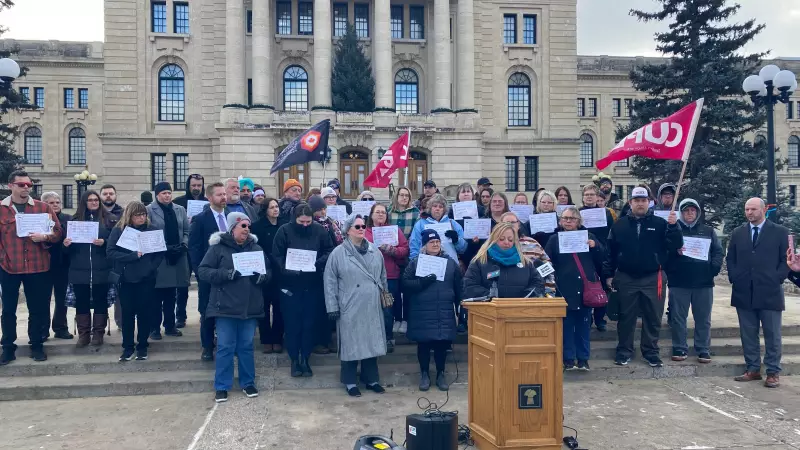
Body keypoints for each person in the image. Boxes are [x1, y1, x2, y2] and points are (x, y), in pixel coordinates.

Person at [604, 187, 683, 368]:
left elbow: (675, 245)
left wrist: (674, 226)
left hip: (653, 278)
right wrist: (608, 274)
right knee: (626, 317)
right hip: (626, 277)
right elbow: (610, 252)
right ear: (630, 203)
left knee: (653, 316)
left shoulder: (661, 223)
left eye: (643, 200)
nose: (640, 204)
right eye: (637, 200)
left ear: (649, 202)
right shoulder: (619, 225)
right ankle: (624, 351)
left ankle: (651, 352)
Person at [199, 212, 269, 403]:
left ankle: (248, 382)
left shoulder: (256, 248)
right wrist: (227, 274)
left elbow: (268, 272)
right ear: (232, 228)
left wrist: (261, 277)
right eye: (243, 226)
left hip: (250, 307)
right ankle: (222, 386)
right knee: (225, 347)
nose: (247, 229)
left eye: (248, 226)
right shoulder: (217, 248)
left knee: (246, 346)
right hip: (225, 307)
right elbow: (203, 271)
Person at [0, 170, 63, 365]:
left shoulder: (43, 207)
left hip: (37, 266)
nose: (26, 188)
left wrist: (45, 237)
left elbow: (57, 231)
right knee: (8, 310)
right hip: (9, 266)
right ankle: (8, 347)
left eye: (29, 185)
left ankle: (36, 345)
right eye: (21, 185)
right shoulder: (2, 209)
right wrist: (2, 256)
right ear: (11, 186)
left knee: (37, 309)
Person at [727, 198, 789, 388]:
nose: (749, 212)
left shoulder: (780, 232)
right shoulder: (738, 233)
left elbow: (786, 259)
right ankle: (753, 369)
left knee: (772, 334)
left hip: (770, 291)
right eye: (747, 209)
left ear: (764, 210)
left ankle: (773, 372)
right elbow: (731, 258)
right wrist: (735, 277)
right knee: (748, 334)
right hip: (744, 291)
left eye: (753, 209)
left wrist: (777, 277)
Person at [324, 214, 388, 397]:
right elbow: (329, 281)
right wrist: (332, 306)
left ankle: (372, 379)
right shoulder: (338, 253)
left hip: (372, 304)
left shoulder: (375, 251)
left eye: (363, 226)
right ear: (348, 230)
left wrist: (385, 296)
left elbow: (383, 276)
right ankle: (350, 381)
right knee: (351, 345)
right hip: (350, 305)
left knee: (371, 343)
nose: (361, 229)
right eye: (357, 226)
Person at [273, 203, 334, 377]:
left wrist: (318, 263)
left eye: (308, 222)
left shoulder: (319, 230)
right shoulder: (284, 231)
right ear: (295, 219)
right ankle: (294, 359)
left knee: (309, 323)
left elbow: (329, 250)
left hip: (312, 283)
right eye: (302, 222)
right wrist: (287, 269)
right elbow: (276, 255)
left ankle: (305, 358)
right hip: (290, 285)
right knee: (292, 324)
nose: (305, 225)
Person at [545, 206, 605, 371]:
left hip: (585, 289)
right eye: (565, 218)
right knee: (566, 326)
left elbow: (602, 258)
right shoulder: (554, 239)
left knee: (583, 325)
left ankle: (583, 359)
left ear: (579, 221)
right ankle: (568, 359)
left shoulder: (589, 236)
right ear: (560, 221)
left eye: (572, 218)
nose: (568, 221)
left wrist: (595, 246)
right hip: (564, 289)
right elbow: (546, 260)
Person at [403, 229, 462, 391]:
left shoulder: (450, 263)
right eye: (431, 242)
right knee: (423, 344)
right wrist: (422, 282)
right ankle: (424, 374)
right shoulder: (415, 263)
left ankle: (441, 374)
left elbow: (459, 286)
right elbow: (406, 284)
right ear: (424, 245)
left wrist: (460, 307)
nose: (435, 244)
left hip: (443, 310)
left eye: (437, 242)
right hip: (422, 311)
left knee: (441, 345)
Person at [665, 199, 722, 363]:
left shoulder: (708, 231)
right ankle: (679, 347)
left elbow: (718, 252)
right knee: (678, 318)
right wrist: (675, 253)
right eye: (686, 211)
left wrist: (713, 269)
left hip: (703, 282)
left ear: (697, 212)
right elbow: (664, 252)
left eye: (692, 210)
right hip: (679, 282)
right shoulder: (673, 230)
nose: (689, 213)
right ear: (680, 213)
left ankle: (703, 349)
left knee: (703, 318)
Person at [107, 201, 165, 362]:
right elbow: (110, 252)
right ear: (129, 216)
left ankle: (142, 346)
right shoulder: (119, 231)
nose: (142, 218)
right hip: (126, 279)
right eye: (138, 215)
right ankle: (127, 347)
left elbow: (160, 253)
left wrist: (151, 267)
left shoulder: (152, 230)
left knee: (144, 313)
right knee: (127, 314)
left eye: (144, 214)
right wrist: (131, 256)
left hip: (146, 279)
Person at [63, 190, 113, 347]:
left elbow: (115, 242)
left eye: (96, 200)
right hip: (79, 269)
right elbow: (65, 251)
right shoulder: (74, 221)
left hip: (101, 268)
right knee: (81, 302)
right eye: (90, 200)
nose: (94, 202)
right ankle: (84, 334)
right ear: (84, 202)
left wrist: (104, 242)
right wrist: (66, 245)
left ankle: (98, 333)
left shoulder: (109, 220)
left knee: (100, 301)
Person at [189, 182, 229, 361]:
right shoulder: (200, 219)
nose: (224, 197)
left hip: (229, 273)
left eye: (224, 194)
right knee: (207, 310)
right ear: (210, 197)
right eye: (219, 195)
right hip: (209, 273)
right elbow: (194, 248)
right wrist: (200, 272)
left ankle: (226, 343)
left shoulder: (231, 216)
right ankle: (207, 346)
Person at [146, 182, 191, 340]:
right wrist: (163, 246)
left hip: (177, 256)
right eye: (163, 193)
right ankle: (154, 328)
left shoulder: (180, 209)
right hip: (159, 257)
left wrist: (184, 244)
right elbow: (148, 232)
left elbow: (186, 230)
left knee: (171, 294)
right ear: (157, 195)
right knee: (156, 296)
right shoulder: (149, 210)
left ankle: (170, 326)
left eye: (169, 193)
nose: (167, 195)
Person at [365, 203, 409, 352]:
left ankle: (388, 338)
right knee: (370, 309)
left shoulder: (394, 230)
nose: (380, 214)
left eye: (383, 212)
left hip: (390, 276)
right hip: (369, 277)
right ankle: (372, 339)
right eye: (377, 212)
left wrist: (392, 250)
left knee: (387, 309)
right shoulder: (365, 231)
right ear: (371, 215)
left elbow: (405, 249)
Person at [463, 223, 545, 299]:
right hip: (488, 308)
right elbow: (469, 285)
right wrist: (491, 297)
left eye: (510, 240)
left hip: (520, 308)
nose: (506, 242)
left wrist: (527, 296)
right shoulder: (480, 261)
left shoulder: (526, 263)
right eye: (501, 239)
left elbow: (537, 283)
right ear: (493, 239)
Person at [250, 198, 286, 354]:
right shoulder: (256, 226)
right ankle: (266, 339)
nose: (275, 210)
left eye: (277, 206)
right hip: (263, 271)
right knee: (263, 307)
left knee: (279, 307)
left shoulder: (284, 225)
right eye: (272, 207)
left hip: (280, 271)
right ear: (265, 210)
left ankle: (277, 339)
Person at [308, 195, 342, 354]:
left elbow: (338, 241)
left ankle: (329, 339)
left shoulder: (331, 223)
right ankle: (319, 341)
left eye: (324, 209)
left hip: (332, 267)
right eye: (319, 210)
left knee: (331, 306)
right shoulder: (311, 225)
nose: (322, 212)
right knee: (318, 308)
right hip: (316, 269)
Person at [579, 184, 615, 332]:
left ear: (597, 197)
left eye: (592, 194)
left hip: (601, 253)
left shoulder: (605, 213)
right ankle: (587, 318)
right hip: (584, 255)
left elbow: (612, 233)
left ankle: (600, 319)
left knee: (602, 286)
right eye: (586, 194)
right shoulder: (578, 213)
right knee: (585, 286)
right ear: (583, 197)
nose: (589, 197)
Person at [172, 175, 206, 330]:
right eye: (194, 185)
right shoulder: (178, 203)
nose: (196, 188)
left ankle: (204, 314)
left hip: (201, 249)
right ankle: (180, 316)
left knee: (203, 283)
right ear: (188, 186)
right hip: (184, 248)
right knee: (182, 284)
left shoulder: (208, 202)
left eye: (199, 185)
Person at [42, 192, 73, 340]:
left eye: (57, 202)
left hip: (63, 264)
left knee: (62, 299)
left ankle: (60, 328)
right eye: (51, 202)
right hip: (43, 264)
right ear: (44, 204)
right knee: (43, 299)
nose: (55, 205)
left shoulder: (68, 219)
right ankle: (42, 329)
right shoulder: (39, 218)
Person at [409, 194, 467, 263]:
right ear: (430, 208)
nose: (437, 209)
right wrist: (415, 263)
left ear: (444, 209)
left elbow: (463, 249)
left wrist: (457, 240)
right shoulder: (420, 224)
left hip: (450, 264)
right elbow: (414, 246)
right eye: (435, 206)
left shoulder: (452, 223)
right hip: (427, 264)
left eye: (440, 207)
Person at [100, 184, 125, 330]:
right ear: (100, 196)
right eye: (105, 194)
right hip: (99, 258)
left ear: (115, 195)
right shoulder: (96, 213)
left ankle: (121, 322)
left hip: (117, 259)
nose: (108, 196)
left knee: (120, 294)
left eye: (111, 193)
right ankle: (100, 325)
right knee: (101, 294)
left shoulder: (123, 213)